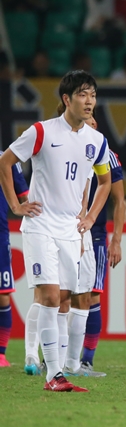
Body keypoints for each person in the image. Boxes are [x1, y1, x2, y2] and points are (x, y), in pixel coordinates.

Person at [0, 70, 111, 392]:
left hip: (71, 230)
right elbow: (5, 162)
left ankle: (57, 370)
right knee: (49, 296)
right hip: (40, 225)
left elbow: (105, 181)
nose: (89, 101)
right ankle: (53, 376)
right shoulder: (41, 132)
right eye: (82, 94)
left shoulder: (96, 140)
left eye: (92, 94)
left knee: (65, 298)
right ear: (66, 99)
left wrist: (90, 217)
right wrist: (15, 206)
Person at [67, 115, 125, 377]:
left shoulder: (107, 156)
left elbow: (119, 201)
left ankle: (86, 360)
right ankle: (57, 357)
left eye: (91, 122)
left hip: (97, 235)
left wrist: (117, 239)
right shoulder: (66, 150)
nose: (87, 126)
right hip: (64, 229)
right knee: (62, 294)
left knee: (91, 296)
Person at [0, 151, 29, 367]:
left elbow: (24, 195)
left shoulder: (6, 159)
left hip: (0, 238)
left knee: (2, 296)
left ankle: (0, 354)